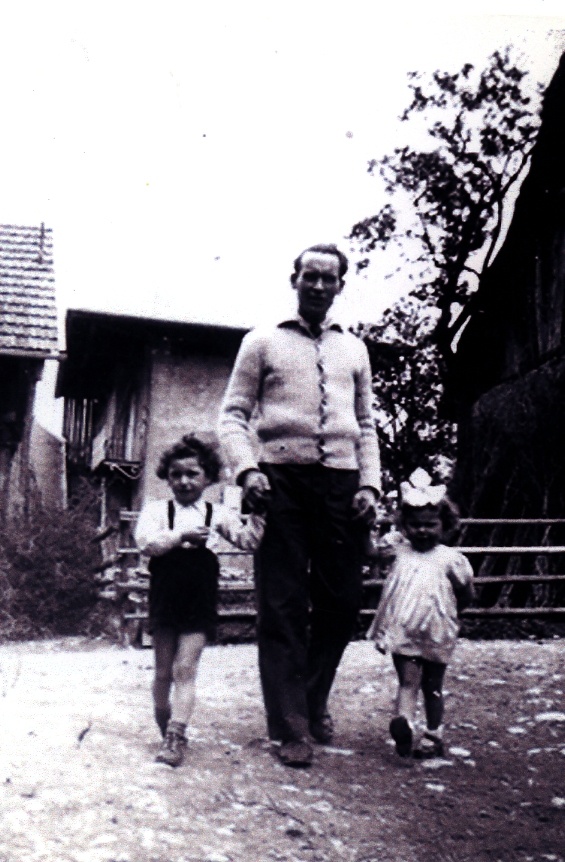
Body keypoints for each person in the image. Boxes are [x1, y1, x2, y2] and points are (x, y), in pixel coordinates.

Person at [218, 243, 381, 767]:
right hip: (280, 484)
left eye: (328, 278)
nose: (318, 286)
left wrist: (369, 486)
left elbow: (367, 425)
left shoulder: (354, 349)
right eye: (309, 276)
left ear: (340, 286)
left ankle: (311, 699)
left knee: (343, 602)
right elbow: (232, 415)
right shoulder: (261, 341)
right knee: (282, 602)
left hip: (341, 486)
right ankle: (290, 726)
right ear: (295, 280)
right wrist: (248, 471)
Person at [135, 433, 266, 767]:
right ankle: (166, 724)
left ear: (208, 477)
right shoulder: (157, 511)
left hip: (199, 600)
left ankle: (176, 735)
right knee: (163, 672)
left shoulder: (217, 513)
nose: (184, 481)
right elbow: (147, 544)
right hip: (165, 600)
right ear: (167, 477)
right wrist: (180, 535)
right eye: (176, 474)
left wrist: (259, 513)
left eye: (192, 474)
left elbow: (248, 541)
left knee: (185, 668)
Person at [366, 468, 474, 761]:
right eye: (415, 525)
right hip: (404, 630)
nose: (422, 531)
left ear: (444, 524)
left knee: (432, 686)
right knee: (408, 681)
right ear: (404, 525)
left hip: (438, 630)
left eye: (429, 525)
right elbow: (370, 553)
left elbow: (466, 593)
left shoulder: (450, 559)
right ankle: (404, 724)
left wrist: (454, 615)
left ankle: (434, 734)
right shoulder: (398, 551)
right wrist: (366, 526)